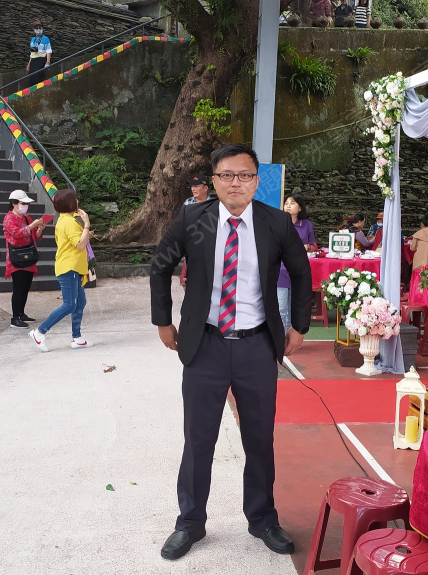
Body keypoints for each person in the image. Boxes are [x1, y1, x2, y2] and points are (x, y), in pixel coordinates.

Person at [150, 143, 311, 561]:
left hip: (257, 346)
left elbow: (301, 273)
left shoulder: (276, 222)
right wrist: (163, 321)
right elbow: (161, 264)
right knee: (198, 438)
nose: (235, 182)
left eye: (244, 175)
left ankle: (262, 518)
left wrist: (299, 326)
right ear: (214, 181)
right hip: (205, 345)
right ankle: (189, 522)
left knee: (259, 438)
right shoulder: (194, 219)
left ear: (257, 181)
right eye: (226, 175)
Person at [29, 189, 92, 351]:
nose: (77, 201)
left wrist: (86, 233)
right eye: (75, 199)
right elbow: (80, 245)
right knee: (70, 304)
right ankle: (39, 332)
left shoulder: (66, 219)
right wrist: (86, 224)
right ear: (70, 203)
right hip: (69, 267)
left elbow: (76, 241)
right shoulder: (69, 222)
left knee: (80, 302)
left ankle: (77, 338)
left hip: (73, 267)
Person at [4, 190, 46, 329]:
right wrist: (32, 226)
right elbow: (17, 234)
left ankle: (21, 314)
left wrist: (39, 229)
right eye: (23, 203)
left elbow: (34, 236)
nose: (25, 206)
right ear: (14, 203)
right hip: (17, 258)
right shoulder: (9, 218)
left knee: (26, 287)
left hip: (28, 255)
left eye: (26, 204)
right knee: (18, 288)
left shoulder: (27, 218)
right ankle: (15, 317)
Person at [278, 194, 316, 333]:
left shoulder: (306, 224)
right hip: (281, 270)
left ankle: (290, 336)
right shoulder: (279, 223)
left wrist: (308, 247)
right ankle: (281, 336)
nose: (288, 205)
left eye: (292, 203)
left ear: (300, 208)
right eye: (286, 203)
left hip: (298, 272)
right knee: (281, 308)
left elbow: (312, 246)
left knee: (293, 308)